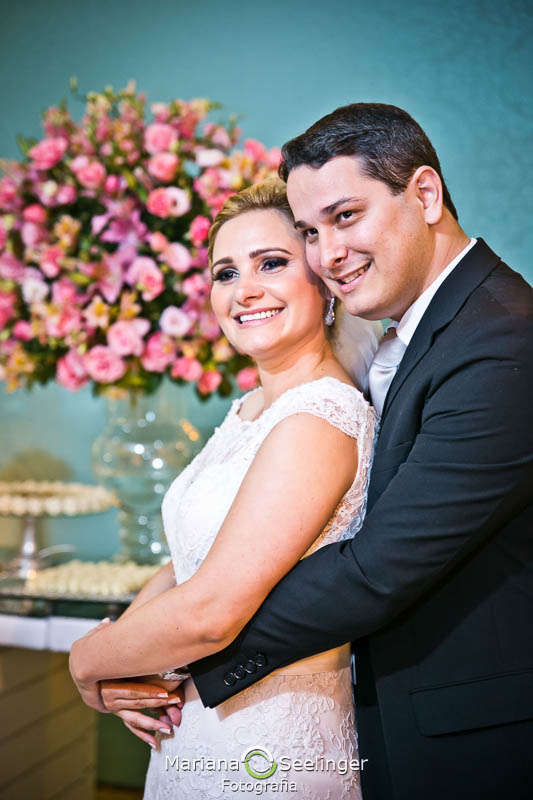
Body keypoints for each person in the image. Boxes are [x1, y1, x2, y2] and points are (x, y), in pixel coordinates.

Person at [183, 104, 533, 800]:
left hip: (475, 739)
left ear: (425, 195)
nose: (327, 254)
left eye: (346, 217)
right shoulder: (400, 337)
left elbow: (377, 570)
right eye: (310, 232)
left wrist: (188, 650)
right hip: (388, 718)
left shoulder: (503, 341)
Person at [69, 178, 382, 798]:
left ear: (323, 283)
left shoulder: (317, 421)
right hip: (199, 733)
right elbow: (190, 560)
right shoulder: (249, 411)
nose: (246, 290)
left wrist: (88, 662)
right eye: (225, 272)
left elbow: (212, 611)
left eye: (272, 263)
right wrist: (130, 664)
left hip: (267, 749)